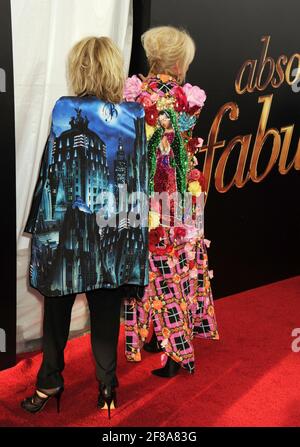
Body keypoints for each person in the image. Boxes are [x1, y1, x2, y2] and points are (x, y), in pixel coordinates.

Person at [20, 36, 148, 419]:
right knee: (105, 311)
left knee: (56, 311)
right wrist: (132, 238)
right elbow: (138, 183)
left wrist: (40, 227)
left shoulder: (64, 108)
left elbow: (50, 172)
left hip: (66, 229)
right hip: (112, 230)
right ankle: (107, 387)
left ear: (81, 69)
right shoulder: (135, 115)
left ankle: (49, 382)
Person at [123, 26, 219, 378]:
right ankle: (175, 346)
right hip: (177, 198)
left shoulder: (136, 94)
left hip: (141, 195)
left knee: (145, 266)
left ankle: (153, 337)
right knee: (174, 269)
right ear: (179, 62)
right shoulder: (185, 97)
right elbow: (182, 147)